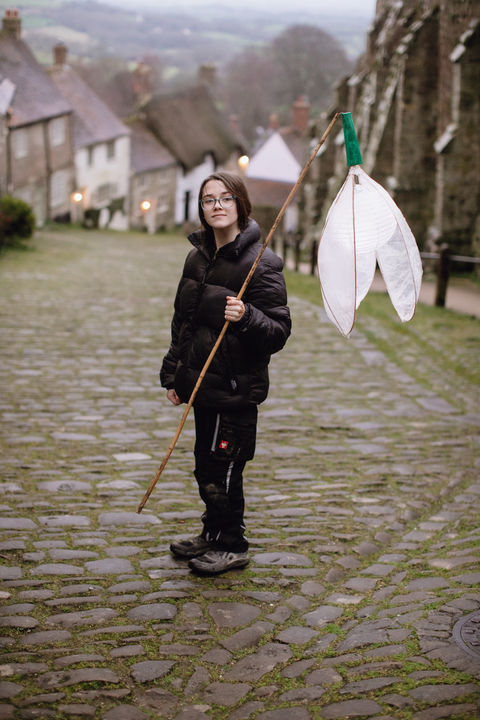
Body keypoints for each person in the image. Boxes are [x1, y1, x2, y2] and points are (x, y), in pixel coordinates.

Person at [160, 171, 291, 575]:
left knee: (225, 469)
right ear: (201, 209)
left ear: (240, 204)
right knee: (205, 466)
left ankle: (232, 544)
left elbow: (279, 331)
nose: (217, 205)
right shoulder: (197, 258)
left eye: (225, 198)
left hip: (235, 390)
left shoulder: (262, 264)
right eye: (208, 199)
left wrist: (247, 316)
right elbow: (184, 322)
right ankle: (213, 532)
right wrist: (174, 375)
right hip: (203, 385)